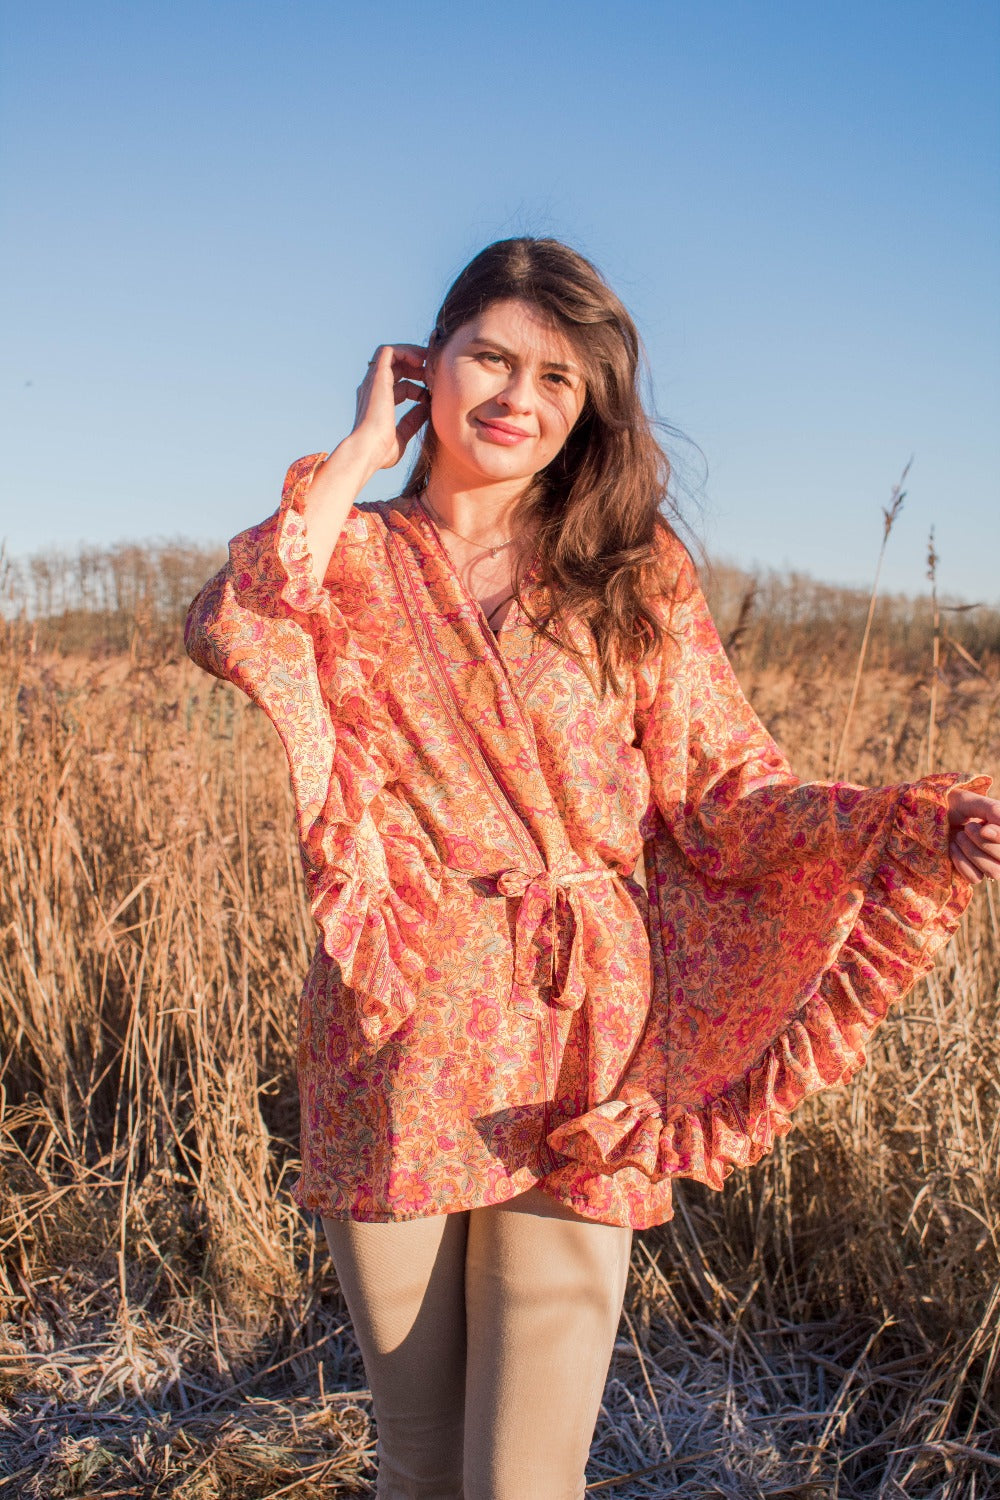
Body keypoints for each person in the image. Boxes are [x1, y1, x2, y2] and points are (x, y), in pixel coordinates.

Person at [184, 236, 999, 1500]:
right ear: (427, 364)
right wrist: (355, 454)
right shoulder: (352, 555)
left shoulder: (629, 570)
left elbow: (724, 794)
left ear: (589, 405)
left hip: (583, 1037)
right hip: (401, 1025)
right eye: (491, 359)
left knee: (523, 1476)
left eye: (558, 377)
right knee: (419, 1459)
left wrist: (904, 824)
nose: (518, 396)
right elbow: (234, 622)